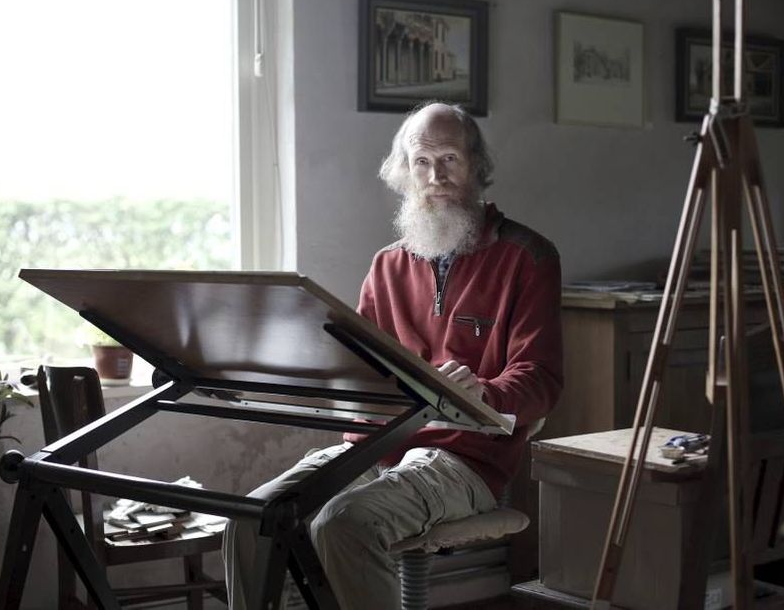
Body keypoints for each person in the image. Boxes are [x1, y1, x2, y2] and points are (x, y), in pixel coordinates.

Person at [224, 101, 563, 609]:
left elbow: (541, 380)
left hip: (465, 459)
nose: (435, 176)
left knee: (344, 523)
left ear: (477, 166)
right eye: (421, 163)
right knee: (251, 516)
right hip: (374, 446)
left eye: (449, 159)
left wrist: (484, 392)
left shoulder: (527, 257)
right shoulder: (386, 266)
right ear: (404, 172)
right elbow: (356, 368)